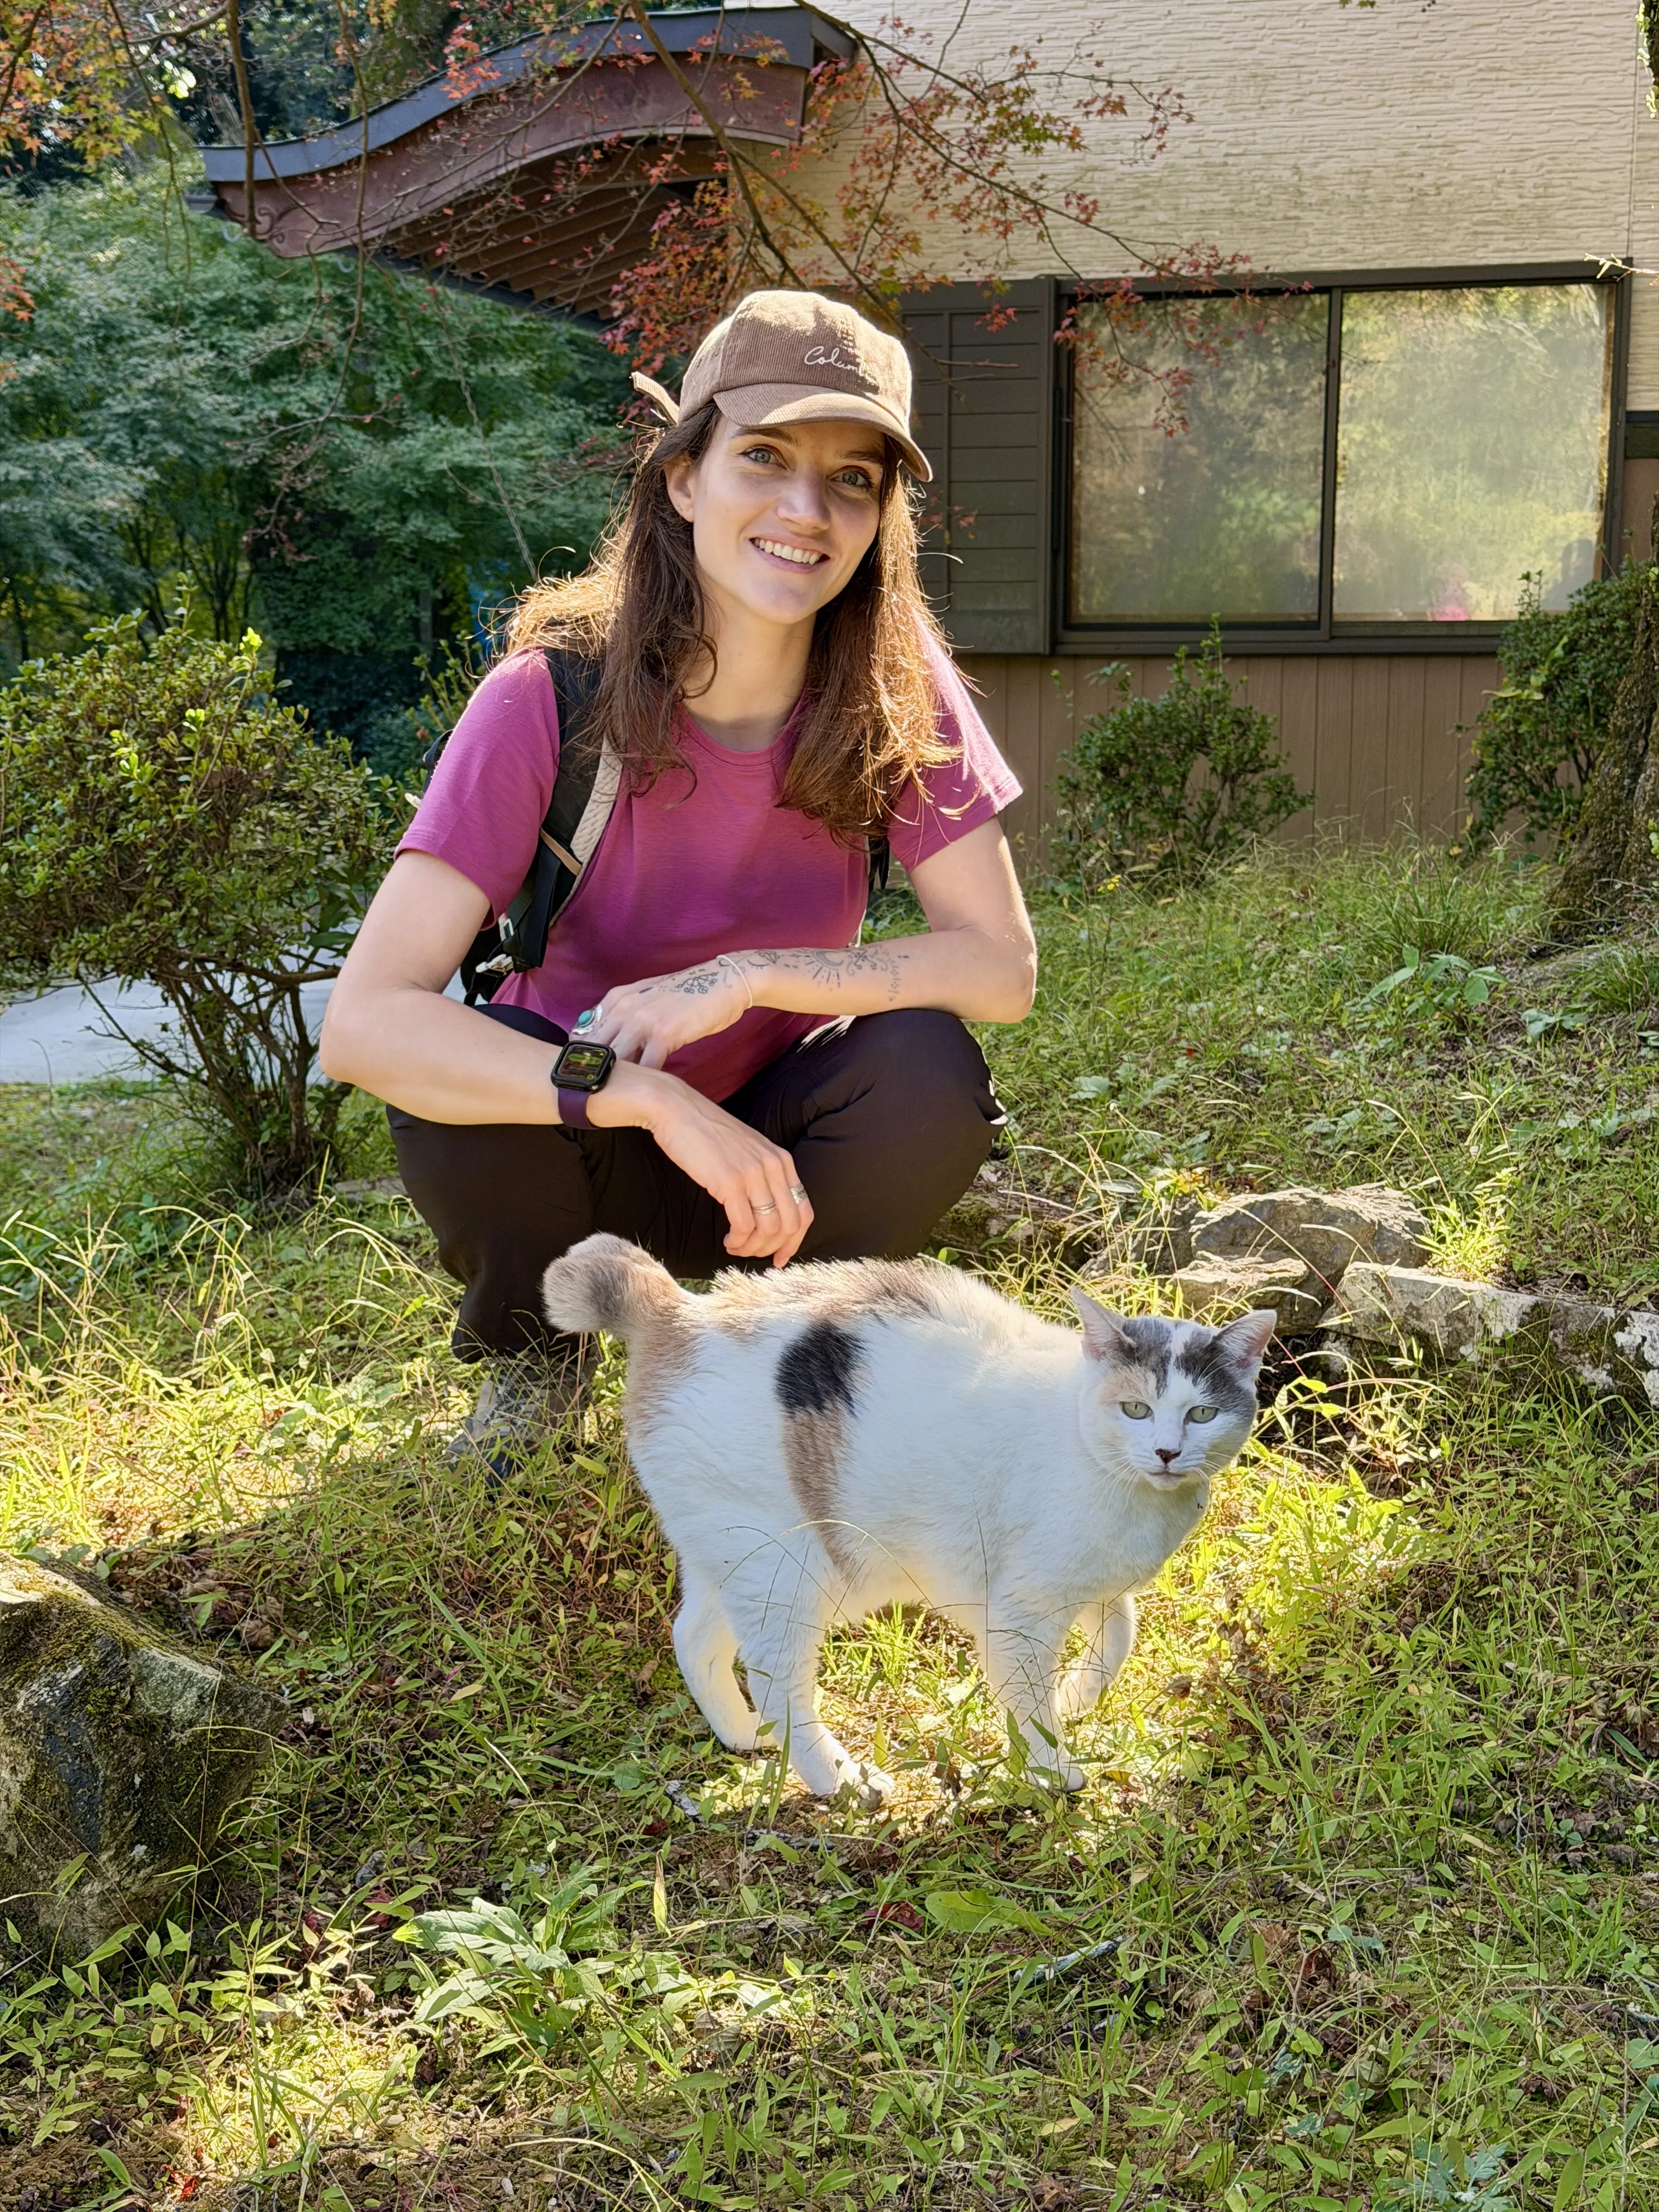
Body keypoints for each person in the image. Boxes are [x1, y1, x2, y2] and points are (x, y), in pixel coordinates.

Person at [320, 288, 1039, 1475]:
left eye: (853, 478)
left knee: (928, 1067)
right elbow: (366, 1021)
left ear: (880, 514)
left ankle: (793, 1358)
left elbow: (999, 967)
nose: (806, 511)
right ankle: (540, 1361)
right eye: (763, 457)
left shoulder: (897, 688)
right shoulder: (547, 702)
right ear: (683, 478)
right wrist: (650, 1098)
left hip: (775, 1165)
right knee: (462, 1093)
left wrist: (745, 978)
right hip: (574, 1148)